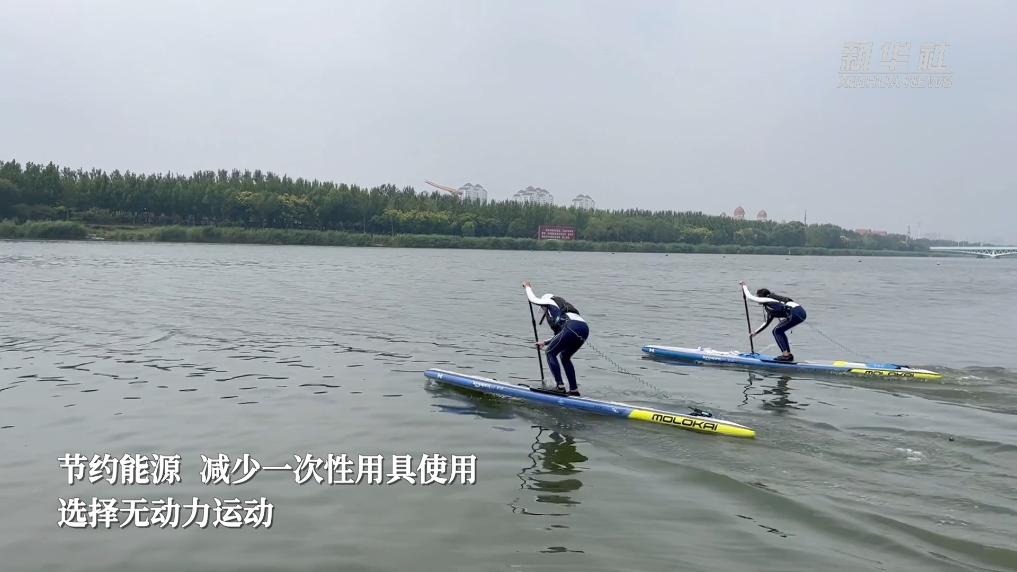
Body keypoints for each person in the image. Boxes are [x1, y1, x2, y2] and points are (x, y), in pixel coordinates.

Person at [523, 280, 589, 396]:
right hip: (583, 329)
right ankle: (574, 390)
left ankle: (560, 387)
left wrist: (527, 287)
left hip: (571, 327)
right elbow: (560, 335)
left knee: (550, 352)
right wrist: (544, 342)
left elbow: (533, 299)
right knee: (565, 357)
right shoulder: (560, 310)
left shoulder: (550, 301)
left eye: (543, 308)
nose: (544, 312)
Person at [740, 281, 807, 362]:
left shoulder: (768, 299)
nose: (757, 299)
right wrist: (755, 333)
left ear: (761, 296)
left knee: (777, 331)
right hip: (801, 312)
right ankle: (788, 355)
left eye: (758, 296)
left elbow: (749, 297)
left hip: (795, 312)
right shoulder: (771, 306)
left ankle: (786, 355)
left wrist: (744, 286)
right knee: (779, 331)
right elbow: (766, 323)